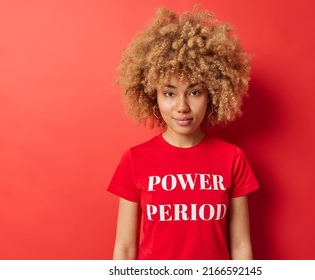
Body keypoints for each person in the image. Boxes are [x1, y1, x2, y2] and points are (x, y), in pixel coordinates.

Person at [108, 6, 259, 260]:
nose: (182, 106)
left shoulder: (232, 158)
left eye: (194, 92)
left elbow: (241, 245)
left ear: (212, 93)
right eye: (169, 93)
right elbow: (124, 249)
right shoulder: (134, 160)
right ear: (152, 96)